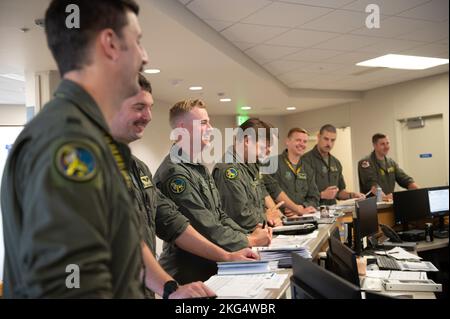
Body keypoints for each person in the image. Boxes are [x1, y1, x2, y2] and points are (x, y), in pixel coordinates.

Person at [0, 0, 152, 298]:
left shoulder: (89, 135)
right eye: (137, 42)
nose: (144, 56)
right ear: (109, 43)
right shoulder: (69, 141)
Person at [110, 74, 257, 298]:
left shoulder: (139, 168)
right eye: (140, 107)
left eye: (150, 108)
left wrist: (228, 256)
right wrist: (170, 288)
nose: (149, 116)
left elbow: (172, 222)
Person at [153, 99, 272, 284]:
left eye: (209, 121)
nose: (211, 127)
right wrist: (251, 241)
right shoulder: (174, 173)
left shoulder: (198, 167)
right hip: (187, 273)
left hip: (209, 265)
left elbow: (219, 215)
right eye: (203, 123)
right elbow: (206, 227)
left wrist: (248, 236)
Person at [212, 118, 284, 232]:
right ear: (247, 141)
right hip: (242, 239)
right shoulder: (229, 170)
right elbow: (239, 215)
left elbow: (260, 197)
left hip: (258, 232)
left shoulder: (251, 164)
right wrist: (266, 217)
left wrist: (273, 217)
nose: (267, 152)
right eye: (263, 147)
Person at [303, 124, 365, 205]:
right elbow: (301, 194)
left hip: (333, 211)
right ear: (318, 136)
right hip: (313, 211)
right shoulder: (305, 160)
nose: (329, 143)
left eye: (332, 140)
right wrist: (322, 195)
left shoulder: (336, 162)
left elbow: (339, 192)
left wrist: (352, 195)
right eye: (326, 139)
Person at [268, 128, 320, 216]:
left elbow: (314, 197)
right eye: (298, 140)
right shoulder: (272, 163)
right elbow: (269, 191)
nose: (302, 144)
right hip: (279, 218)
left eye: (305, 141)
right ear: (287, 141)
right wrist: (294, 209)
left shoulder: (307, 168)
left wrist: (302, 208)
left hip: (302, 218)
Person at [358, 133, 418, 201]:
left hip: (388, 203)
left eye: (387, 143)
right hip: (372, 206)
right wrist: (386, 198)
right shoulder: (365, 163)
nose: (386, 147)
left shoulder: (391, 162)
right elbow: (372, 185)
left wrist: (419, 192)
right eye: (382, 144)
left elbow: (404, 179)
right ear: (374, 145)